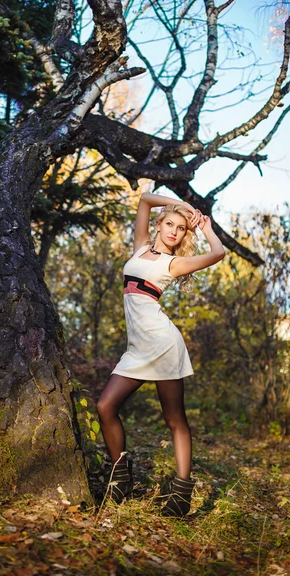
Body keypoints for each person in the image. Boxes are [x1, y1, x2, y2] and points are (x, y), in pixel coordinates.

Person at [96, 192, 225, 517]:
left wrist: (204, 224)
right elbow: (144, 199)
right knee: (105, 406)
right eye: (170, 223)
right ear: (159, 224)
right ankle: (120, 478)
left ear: (184, 235)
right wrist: (183, 205)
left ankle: (181, 496)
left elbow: (219, 252)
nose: (174, 231)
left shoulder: (175, 263)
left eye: (181, 228)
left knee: (174, 418)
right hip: (137, 348)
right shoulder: (140, 247)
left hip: (163, 344)